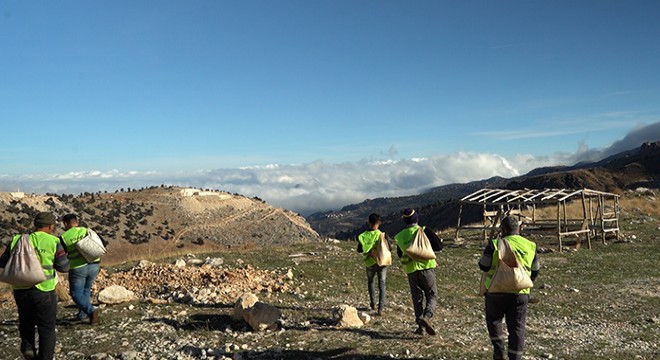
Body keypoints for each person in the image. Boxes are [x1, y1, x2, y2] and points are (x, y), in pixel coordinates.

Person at [0, 211, 70, 360]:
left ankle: (28, 348)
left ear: (35, 225)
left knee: (26, 322)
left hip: (21, 290)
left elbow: (2, 262)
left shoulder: (17, 240)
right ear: (51, 226)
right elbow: (63, 267)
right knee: (47, 329)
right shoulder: (54, 241)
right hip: (45, 290)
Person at [478, 216, 540, 360]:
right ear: (518, 229)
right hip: (520, 292)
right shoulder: (530, 245)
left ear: (503, 229)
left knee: (493, 320)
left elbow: (484, 265)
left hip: (495, 290)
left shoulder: (494, 244)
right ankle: (515, 358)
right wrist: (524, 282)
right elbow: (535, 270)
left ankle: (499, 350)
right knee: (517, 327)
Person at [394, 208, 443, 336]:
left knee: (417, 299)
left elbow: (399, 254)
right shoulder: (425, 231)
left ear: (404, 221)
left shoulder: (399, 236)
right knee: (432, 295)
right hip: (426, 268)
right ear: (416, 218)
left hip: (410, 270)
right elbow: (439, 247)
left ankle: (420, 328)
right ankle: (426, 317)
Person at [59, 213, 104, 325]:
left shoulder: (64, 237)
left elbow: (62, 254)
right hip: (94, 264)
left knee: (75, 293)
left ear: (65, 223)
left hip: (78, 268)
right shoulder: (86, 231)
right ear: (77, 222)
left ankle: (91, 311)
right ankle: (82, 314)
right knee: (86, 289)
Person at [356, 213, 388, 315]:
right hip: (381, 262)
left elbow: (359, 250)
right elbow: (389, 248)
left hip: (369, 262)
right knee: (382, 284)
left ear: (369, 222)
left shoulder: (362, 236)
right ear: (379, 223)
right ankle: (381, 309)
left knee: (371, 282)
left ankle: (373, 303)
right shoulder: (382, 235)